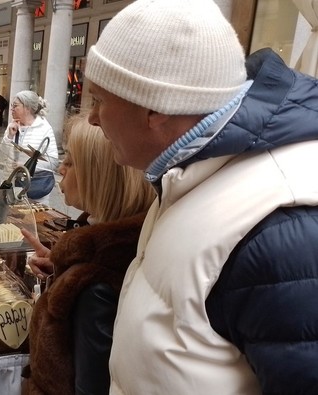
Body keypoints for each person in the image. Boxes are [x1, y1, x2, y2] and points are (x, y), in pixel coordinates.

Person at [83, 0, 318, 393]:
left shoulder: (281, 225)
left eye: (99, 101)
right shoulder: (191, 174)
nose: (92, 118)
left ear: (155, 108)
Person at [21, 117, 155, 395]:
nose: (61, 169)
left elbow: (91, 385)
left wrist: (70, 277)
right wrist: (61, 270)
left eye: (70, 162)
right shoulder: (109, 248)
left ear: (98, 177)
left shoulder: (97, 284)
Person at [2, 90, 59, 202]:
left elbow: (53, 162)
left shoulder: (44, 129)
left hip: (34, 192)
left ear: (27, 108)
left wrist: (26, 167)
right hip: (10, 188)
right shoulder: (12, 126)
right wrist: (8, 136)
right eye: (12, 105)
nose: (11, 109)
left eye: (15, 106)